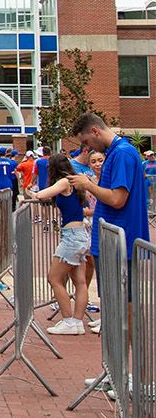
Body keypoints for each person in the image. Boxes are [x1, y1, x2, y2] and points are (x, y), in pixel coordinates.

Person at [69, 114, 149, 317]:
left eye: (87, 142)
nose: (87, 148)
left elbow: (117, 199)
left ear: (95, 131)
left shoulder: (122, 154)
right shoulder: (117, 153)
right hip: (112, 243)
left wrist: (88, 185)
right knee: (116, 304)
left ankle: (129, 349)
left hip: (122, 243)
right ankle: (121, 348)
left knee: (124, 305)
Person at [22, 153, 92, 334]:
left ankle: (69, 320)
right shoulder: (74, 182)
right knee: (80, 281)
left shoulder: (63, 182)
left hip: (71, 237)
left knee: (54, 278)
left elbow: (41, 195)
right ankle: (77, 322)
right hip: (80, 234)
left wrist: (29, 192)